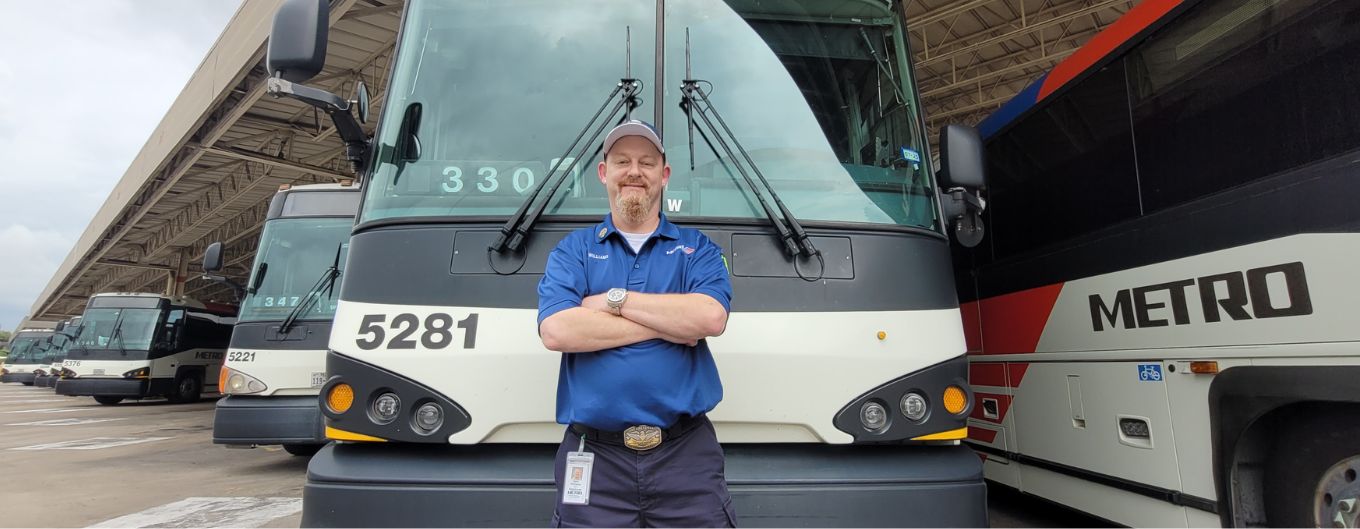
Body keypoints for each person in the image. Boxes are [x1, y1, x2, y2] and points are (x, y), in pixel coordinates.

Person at [537, 120, 736, 528]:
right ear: (603, 172)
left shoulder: (698, 248)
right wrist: (672, 323)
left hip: (686, 458)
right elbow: (557, 330)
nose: (634, 171)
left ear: (663, 176)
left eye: (647, 162)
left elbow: (709, 318)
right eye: (622, 161)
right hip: (595, 457)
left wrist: (614, 301)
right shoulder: (572, 250)